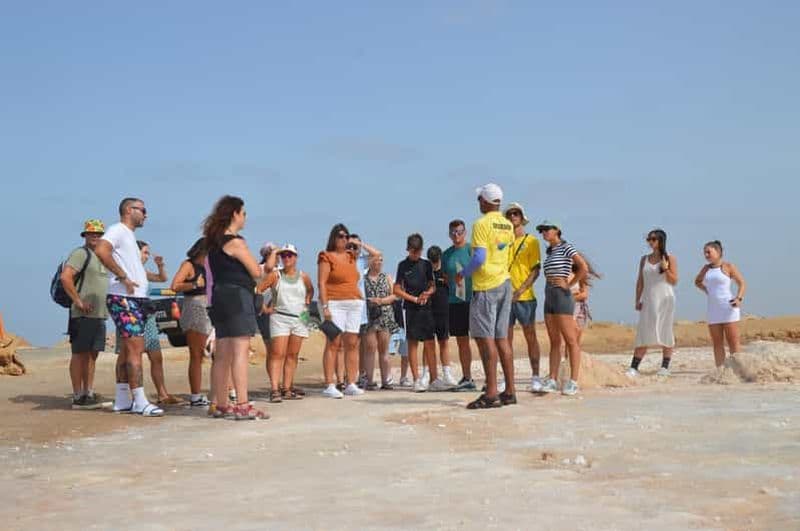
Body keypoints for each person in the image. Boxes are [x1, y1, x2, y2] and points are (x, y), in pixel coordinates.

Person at [94, 198, 163, 417]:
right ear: (128, 210)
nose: (146, 214)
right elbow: (101, 250)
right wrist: (122, 276)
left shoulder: (128, 235)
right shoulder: (118, 230)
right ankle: (140, 401)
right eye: (143, 210)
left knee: (126, 350)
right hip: (124, 298)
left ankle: (123, 399)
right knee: (135, 349)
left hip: (133, 298)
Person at [204, 195, 268, 420]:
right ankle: (242, 404)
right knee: (240, 350)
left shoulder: (213, 243)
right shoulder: (236, 242)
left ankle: (221, 404)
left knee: (222, 352)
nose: (245, 217)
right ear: (235, 214)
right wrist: (267, 264)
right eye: (243, 213)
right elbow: (256, 272)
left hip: (219, 297)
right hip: (237, 296)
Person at [457, 184, 516, 408]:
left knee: (485, 339)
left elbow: (480, 257)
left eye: (479, 198)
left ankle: (491, 393)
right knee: (502, 338)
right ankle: (509, 391)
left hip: (485, 285)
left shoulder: (481, 224)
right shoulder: (507, 224)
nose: (478, 202)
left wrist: (464, 273)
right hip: (504, 282)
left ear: (485, 200)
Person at [115, 240, 180, 405]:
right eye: (145, 252)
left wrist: (160, 266)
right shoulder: (124, 271)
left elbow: (162, 278)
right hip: (129, 316)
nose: (147, 256)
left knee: (156, 356)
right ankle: (129, 395)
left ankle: (162, 394)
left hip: (148, 317)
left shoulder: (142, 271)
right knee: (127, 356)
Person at [536, 220, 589, 396]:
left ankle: (573, 382)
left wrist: (570, 284)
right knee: (554, 341)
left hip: (562, 295)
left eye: (547, 229)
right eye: (542, 231)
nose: (544, 233)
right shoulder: (550, 251)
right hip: (549, 294)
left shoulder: (566, 247)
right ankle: (552, 380)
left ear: (557, 230)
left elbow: (583, 267)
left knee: (570, 340)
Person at [60, 219, 109, 409]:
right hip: (82, 314)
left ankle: (88, 392)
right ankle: (78, 395)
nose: (95, 236)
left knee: (92, 354)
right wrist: (78, 301)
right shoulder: (80, 254)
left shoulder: (103, 257)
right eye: (91, 233)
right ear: (85, 235)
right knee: (80, 353)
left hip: (99, 314)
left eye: (99, 233)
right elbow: (66, 277)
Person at [257, 244, 313, 402]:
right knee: (277, 354)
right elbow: (259, 289)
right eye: (284, 255)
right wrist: (264, 308)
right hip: (280, 317)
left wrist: (307, 302)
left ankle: (287, 388)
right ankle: (275, 389)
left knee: (293, 355)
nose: (286, 258)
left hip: (299, 318)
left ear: (296, 257)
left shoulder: (304, 276)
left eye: (290, 255)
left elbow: (310, 290)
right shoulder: (276, 275)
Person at [394, 233, 448, 392]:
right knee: (412, 343)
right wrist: (413, 299)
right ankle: (416, 379)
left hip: (426, 307)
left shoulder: (426, 265)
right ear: (408, 249)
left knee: (430, 342)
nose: (416, 254)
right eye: (413, 251)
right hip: (410, 309)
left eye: (418, 251)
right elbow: (396, 289)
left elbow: (432, 286)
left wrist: (427, 293)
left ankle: (434, 378)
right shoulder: (402, 265)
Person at [318, 224, 364, 398]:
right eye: (340, 236)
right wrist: (325, 307)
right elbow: (322, 282)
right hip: (335, 302)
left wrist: (358, 243)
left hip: (354, 302)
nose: (344, 239)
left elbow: (376, 255)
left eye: (346, 236)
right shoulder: (326, 256)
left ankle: (351, 383)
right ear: (333, 238)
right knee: (334, 342)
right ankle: (330, 384)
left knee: (352, 343)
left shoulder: (351, 256)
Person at [503, 202, 543, 392]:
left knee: (530, 336)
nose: (513, 216)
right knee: (505, 339)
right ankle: (507, 378)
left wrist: (519, 291)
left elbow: (536, 270)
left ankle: (535, 377)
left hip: (525, 297)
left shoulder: (531, 241)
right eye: (510, 214)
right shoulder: (503, 242)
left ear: (521, 217)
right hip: (505, 297)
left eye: (516, 213)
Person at [628, 229, 678, 378]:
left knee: (665, 330)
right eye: (648, 239)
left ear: (661, 240)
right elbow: (640, 281)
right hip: (649, 299)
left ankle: (665, 367)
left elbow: (674, 281)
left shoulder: (669, 258)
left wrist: (666, 269)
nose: (650, 242)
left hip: (665, 298)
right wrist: (637, 300)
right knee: (643, 331)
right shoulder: (644, 259)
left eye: (653, 239)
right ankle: (634, 368)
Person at [170, 237, 214, 406]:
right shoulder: (189, 265)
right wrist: (194, 284)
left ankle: (223, 391)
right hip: (194, 307)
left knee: (218, 353)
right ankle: (195, 396)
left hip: (210, 308)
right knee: (197, 354)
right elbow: (175, 285)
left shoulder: (210, 267)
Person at [694, 240, 747, 368]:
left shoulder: (728, 266)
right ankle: (720, 370)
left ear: (718, 252)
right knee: (717, 343)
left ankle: (737, 369)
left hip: (728, 307)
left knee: (733, 341)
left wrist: (739, 298)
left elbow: (742, 283)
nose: (706, 255)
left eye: (708, 252)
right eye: (704, 252)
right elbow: (697, 282)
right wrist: (707, 290)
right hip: (713, 309)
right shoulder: (706, 269)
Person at [442, 219, 476, 391]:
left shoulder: (471, 249)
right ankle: (467, 377)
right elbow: (444, 277)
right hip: (455, 302)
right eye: (453, 232)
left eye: (460, 232)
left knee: (484, 340)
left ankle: (490, 378)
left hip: (474, 299)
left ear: (465, 232)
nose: (456, 235)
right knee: (462, 341)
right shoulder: (446, 254)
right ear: (449, 234)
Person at [362, 253, 399, 390]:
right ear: (371, 262)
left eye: (381, 260)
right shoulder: (363, 279)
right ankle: (369, 380)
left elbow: (395, 295)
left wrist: (381, 301)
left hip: (385, 315)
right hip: (369, 316)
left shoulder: (387, 277)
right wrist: (370, 301)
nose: (379, 263)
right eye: (377, 260)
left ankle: (386, 380)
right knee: (370, 348)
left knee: (384, 349)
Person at [426, 246, 458, 387]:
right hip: (428, 311)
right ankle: (428, 374)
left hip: (444, 310)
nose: (434, 264)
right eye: (431, 261)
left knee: (444, 341)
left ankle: (447, 373)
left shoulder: (446, 270)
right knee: (428, 343)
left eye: (436, 260)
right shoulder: (426, 271)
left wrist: (448, 281)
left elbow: (455, 286)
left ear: (440, 258)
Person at [256, 242, 278, 390]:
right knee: (272, 351)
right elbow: (256, 290)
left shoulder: (280, 270)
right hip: (265, 315)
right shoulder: (261, 269)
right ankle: (274, 384)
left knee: (280, 351)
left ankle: (282, 384)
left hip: (278, 314)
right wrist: (264, 307)